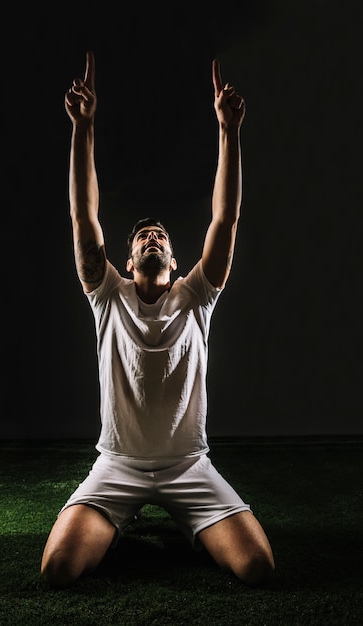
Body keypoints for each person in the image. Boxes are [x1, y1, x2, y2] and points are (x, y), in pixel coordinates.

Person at [41, 51, 275, 588]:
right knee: (58, 570)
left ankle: (179, 515)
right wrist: (83, 129)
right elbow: (84, 215)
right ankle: (118, 520)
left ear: (175, 261)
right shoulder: (106, 293)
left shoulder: (197, 295)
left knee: (258, 568)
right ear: (127, 262)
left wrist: (229, 131)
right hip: (117, 466)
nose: (152, 237)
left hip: (187, 467)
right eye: (142, 236)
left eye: (162, 237)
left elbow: (226, 217)